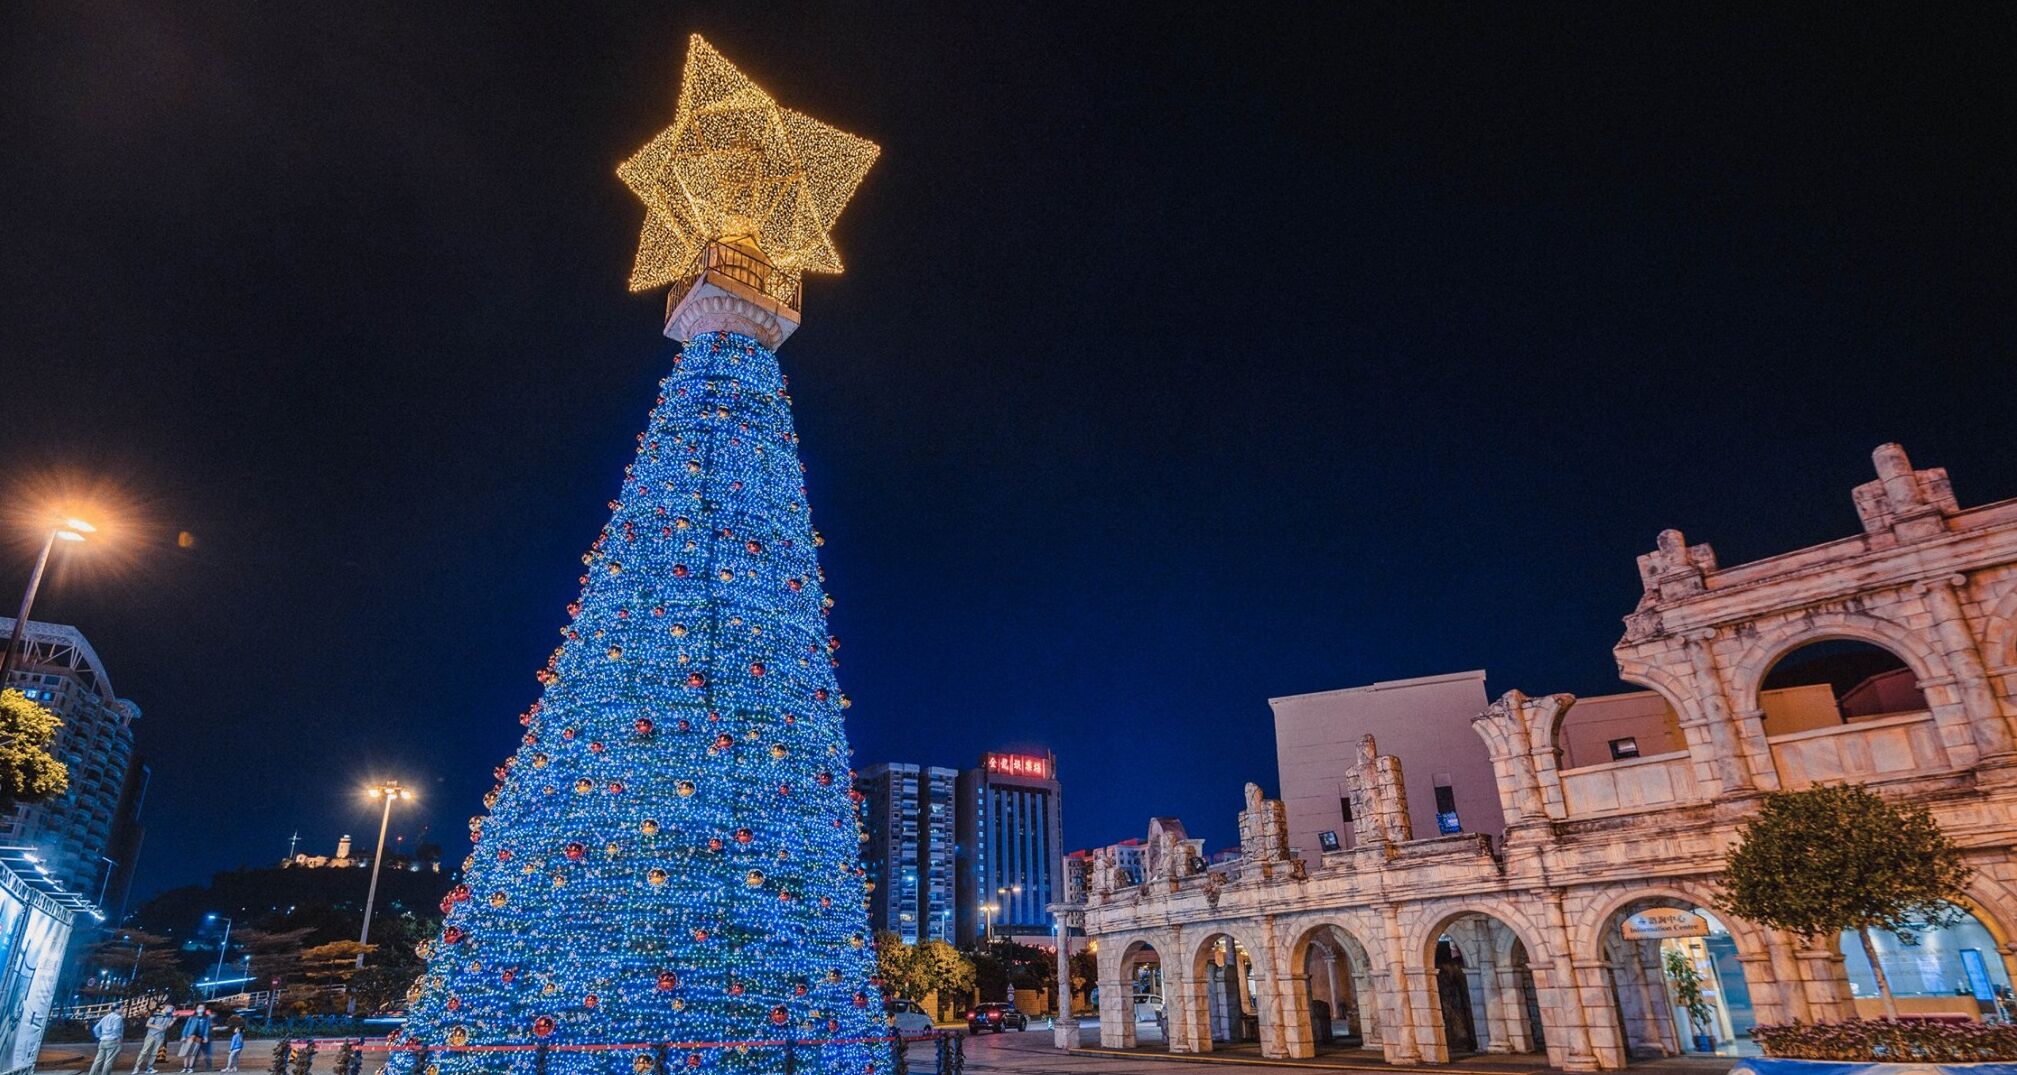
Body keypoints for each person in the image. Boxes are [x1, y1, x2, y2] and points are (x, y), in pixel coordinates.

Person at [134, 1006, 176, 1075]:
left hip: (160, 1037)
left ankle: (149, 1068)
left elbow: (168, 1026)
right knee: (144, 1052)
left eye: (172, 1009)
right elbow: (147, 1024)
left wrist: (174, 1020)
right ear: (166, 1007)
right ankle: (136, 1067)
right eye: (170, 1008)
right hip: (151, 1035)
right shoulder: (156, 1014)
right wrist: (157, 1027)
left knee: (154, 1053)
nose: (172, 1009)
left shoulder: (170, 1016)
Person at [85, 1007, 125, 1075]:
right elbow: (116, 1029)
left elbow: (96, 1028)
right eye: (121, 1008)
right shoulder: (118, 1018)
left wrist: (99, 1036)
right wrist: (119, 1038)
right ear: (116, 1009)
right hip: (112, 1041)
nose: (122, 1010)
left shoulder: (105, 1017)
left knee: (97, 1061)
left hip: (103, 1041)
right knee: (109, 1061)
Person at [177, 1009, 211, 1073]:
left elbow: (206, 1028)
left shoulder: (205, 1018)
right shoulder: (192, 1018)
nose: (200, 1009)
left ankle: (190, 1068)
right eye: (199, 1007)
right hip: (190, 1036)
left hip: (198, 1037)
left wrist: (205, 1037)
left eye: (202, 1007)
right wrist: (184, 1035)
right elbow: (186, 1027)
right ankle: (185, 1068)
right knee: (186, 1053)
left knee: (193, 1053)